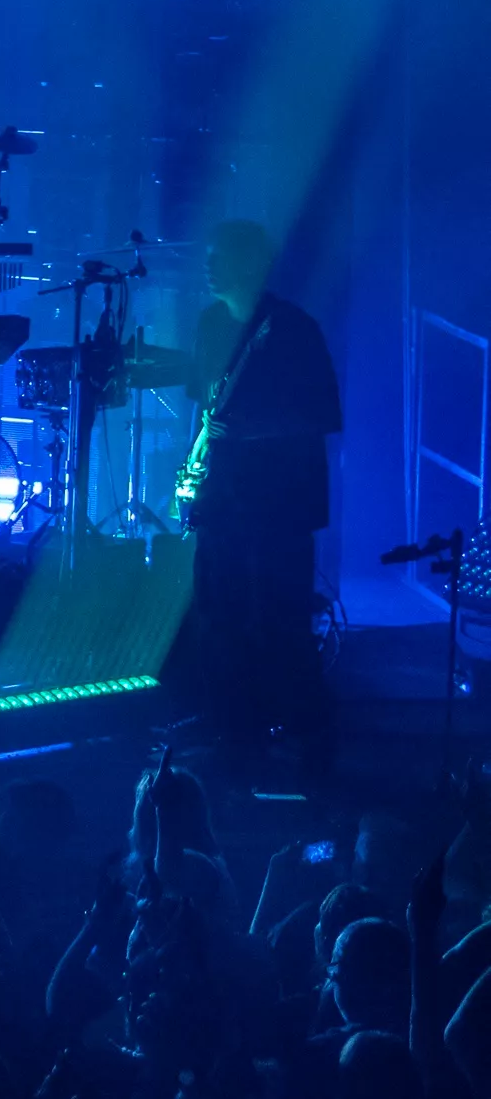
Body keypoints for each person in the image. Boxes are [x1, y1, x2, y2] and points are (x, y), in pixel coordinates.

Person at [177, 216, 340, 758]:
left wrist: (248, 430)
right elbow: (205, 406)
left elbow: (323, 413)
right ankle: (232, 731)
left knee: (280, 616)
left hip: (279, 503)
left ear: (250, 263)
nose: (208, 266)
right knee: (216, 613)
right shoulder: (210, 323)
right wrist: (194, 466)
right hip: (222, 499)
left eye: (219, 257)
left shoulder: (293, 329)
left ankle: (305, 736)